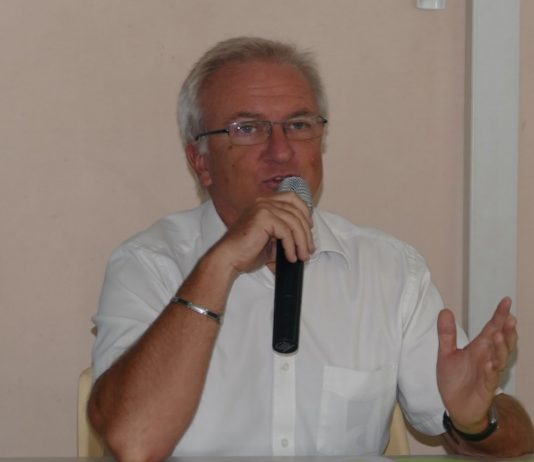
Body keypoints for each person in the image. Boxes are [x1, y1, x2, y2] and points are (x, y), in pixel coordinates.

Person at [88, 36, 534, 461]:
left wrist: (476, 420)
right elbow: (134, 441)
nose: (281, 151)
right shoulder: (149, 265)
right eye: (248, 129)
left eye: (299, 125)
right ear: (200, 161)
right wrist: (220, 264)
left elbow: (513, 439)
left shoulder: (389, 269)